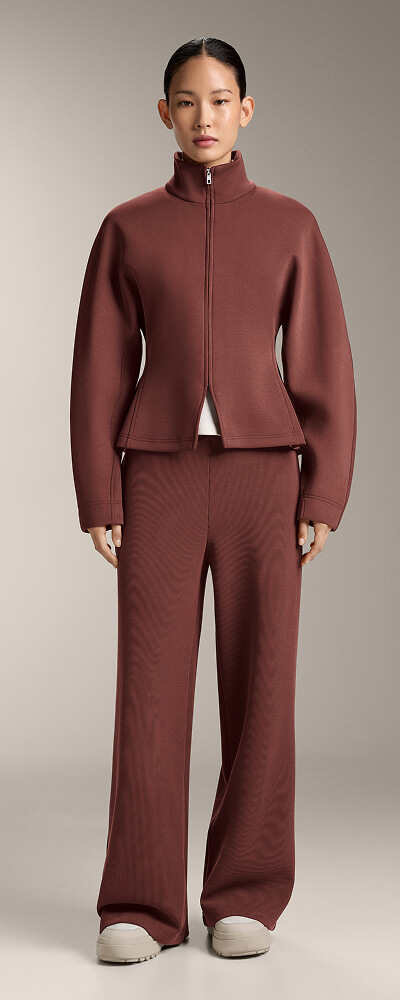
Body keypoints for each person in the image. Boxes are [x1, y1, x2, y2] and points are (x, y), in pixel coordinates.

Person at [70, 37, 357, 963]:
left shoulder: (291, 225)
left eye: (221, 99)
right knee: (148, 695)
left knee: (263, 686)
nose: (205, 117)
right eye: (187, 101)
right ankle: (140, 905)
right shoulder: (126, 228)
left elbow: (323, 363)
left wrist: (324, 488)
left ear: (246, 110)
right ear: (165, 113)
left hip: (263, 477)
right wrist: (98, 489)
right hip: (156, 475)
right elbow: (98, 366)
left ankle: (245, 894)